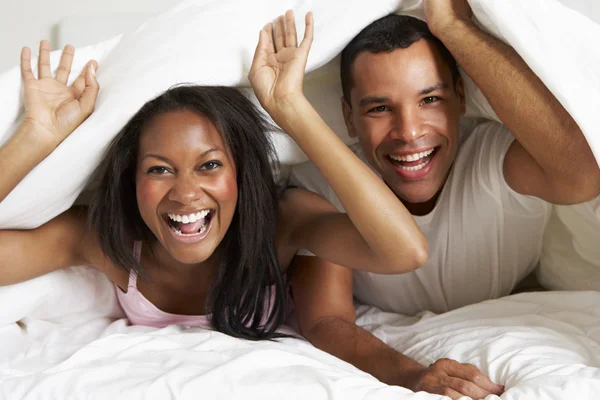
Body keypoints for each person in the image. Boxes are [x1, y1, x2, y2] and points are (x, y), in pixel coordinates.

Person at [0, 11, 427, 340]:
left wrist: (291, 108)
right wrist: (34, 138)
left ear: (241, 174)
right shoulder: (103, 239)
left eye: (209, 165)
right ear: (132, 180)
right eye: (159, 169)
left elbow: (405, 252)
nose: (186, 194)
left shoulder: (286, 221)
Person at [289, 1, 600, 398]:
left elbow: (582, 175)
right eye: (380, 108)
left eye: (429, 100)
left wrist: (454, 26)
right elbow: (325, 319)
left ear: (460, 96)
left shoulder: (493, 157)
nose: (409, 132)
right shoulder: (325, 185)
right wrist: (411, 376)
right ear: (349, 119)